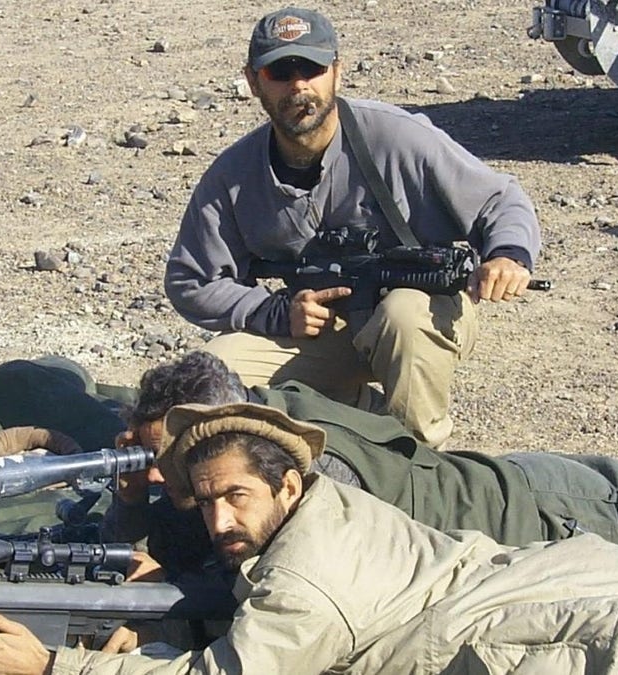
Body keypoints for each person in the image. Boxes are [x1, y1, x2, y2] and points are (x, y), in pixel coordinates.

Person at [0, 402, 618, 674]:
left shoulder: (309, 580)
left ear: (288, 483)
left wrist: (59, 667)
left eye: (233, 501)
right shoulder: (309, 490)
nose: (217, 520)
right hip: (586, 579)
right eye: (202, 502)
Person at [104, 351, 618, 580]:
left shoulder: (315, 485)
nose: (161, 473)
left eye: (164, 454)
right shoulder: (277, 413)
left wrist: (150, 524)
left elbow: (271, 571)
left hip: (559, 520)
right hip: (546, 491)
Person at [163, 7, 542, 447]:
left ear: (336, 73)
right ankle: (353, 418)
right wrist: (276, 312)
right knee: (212, 384)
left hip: (414, 318)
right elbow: (191, 278)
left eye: (312, 68)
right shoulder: (234, 174)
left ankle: (422, 463)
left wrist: (508, 255)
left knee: (403, 314)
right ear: (253, 81)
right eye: (280, 71)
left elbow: (500, 200)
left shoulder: (397, 137)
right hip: (322, 330)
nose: (299, 84)